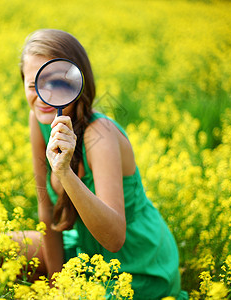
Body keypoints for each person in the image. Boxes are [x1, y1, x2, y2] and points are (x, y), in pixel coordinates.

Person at [18, 28, 187, 299]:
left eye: (57, 82)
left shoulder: (101, 133)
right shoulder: (38, 119)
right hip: (85, 251)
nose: (44, 94)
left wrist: (64, 173)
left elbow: (114, 238)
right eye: (33, 84)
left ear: (77, 81)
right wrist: (56, 286)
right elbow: (46, 210)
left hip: (134, 264)